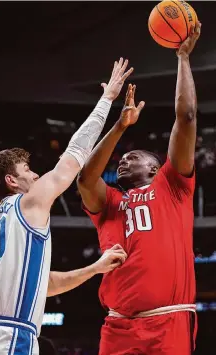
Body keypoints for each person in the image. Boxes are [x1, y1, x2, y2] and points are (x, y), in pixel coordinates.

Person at [0, 58, 131, 355]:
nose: (35, 174)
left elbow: (45, 285)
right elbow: (74, 155)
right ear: (11, 181)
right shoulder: (27, 203)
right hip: (11, 339)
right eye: (27, 169)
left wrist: (94, 268)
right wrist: (107, 100)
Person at [77, 23, 201, 355]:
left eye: (134, 156)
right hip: (117, 327)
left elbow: (187, 116)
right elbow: (85, 179)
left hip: (168, 323)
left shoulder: (173, 187)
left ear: (156, 168)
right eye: (123, 157)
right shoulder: (110, 204)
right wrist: (119, 125)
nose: (124, 159)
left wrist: (183, 59)